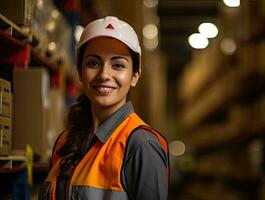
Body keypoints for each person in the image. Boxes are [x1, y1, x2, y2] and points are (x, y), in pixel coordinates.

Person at [39, 16, 170, 200]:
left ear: (135, 75)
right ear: (80, 73)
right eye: (93, 63)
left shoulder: (141, 145)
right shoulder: (65, 142)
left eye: (118, 65)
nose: (104, 74)